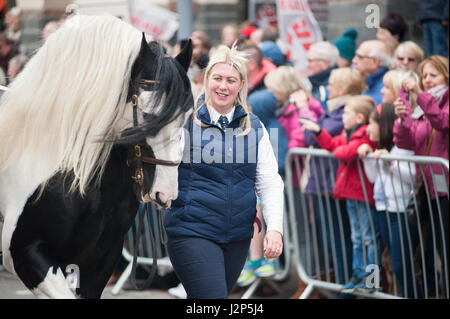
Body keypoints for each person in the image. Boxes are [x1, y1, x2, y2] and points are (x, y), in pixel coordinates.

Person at [163, 44, 284, 299]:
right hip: (191, 231)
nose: (223, 86)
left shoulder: (255, 127)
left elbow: (270, 182)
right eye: (217, 78)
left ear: (241, 85)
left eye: (231, 80)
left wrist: (275, 228)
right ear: (207, 80)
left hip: (238, 236)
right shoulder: (184, 121)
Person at [301, 95, 380, 295]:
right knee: (357, 237)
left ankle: (372, 280)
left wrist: (341, 149)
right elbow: (332, 144)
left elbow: (345, 152)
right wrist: (319, 131)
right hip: (351, 195)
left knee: (369, 238)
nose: (342, 117)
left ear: (360, 118)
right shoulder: (348, 134)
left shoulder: (365, 134)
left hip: (363, 195)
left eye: (346, 113)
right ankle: (358, 275)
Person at [393, 55, 449, 298]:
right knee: (431, 245)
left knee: (446, 247)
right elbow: (405, 141)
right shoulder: (423, 105)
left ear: (446, 76)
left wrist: (421, 96)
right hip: (426, 185)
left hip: (445, 186)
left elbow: (442, 122)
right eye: (424, 75)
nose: (426, 80)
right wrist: (403, 116)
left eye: (433, 75)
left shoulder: (440, 102)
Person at [358, 103, 417, 298]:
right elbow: (374, 178)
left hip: (401, 211)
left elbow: (413, 178)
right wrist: (368, 157)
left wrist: (390, 161)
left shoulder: (402, 149)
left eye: (371, 123)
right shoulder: (382, 148)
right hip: (384, 209)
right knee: (392, 261)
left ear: (383, 125)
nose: (368, 128)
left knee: (401, 264)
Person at [352, 40, 391, 106]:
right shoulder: (365, 78)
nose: (354, 61)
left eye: (360, 57)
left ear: (375, 61)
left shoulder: (387, 85)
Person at [307, 41, 340, 111]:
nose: (307, 65)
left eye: (310, 61)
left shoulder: (329, 89)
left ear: (325, 63)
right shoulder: (318, 83)